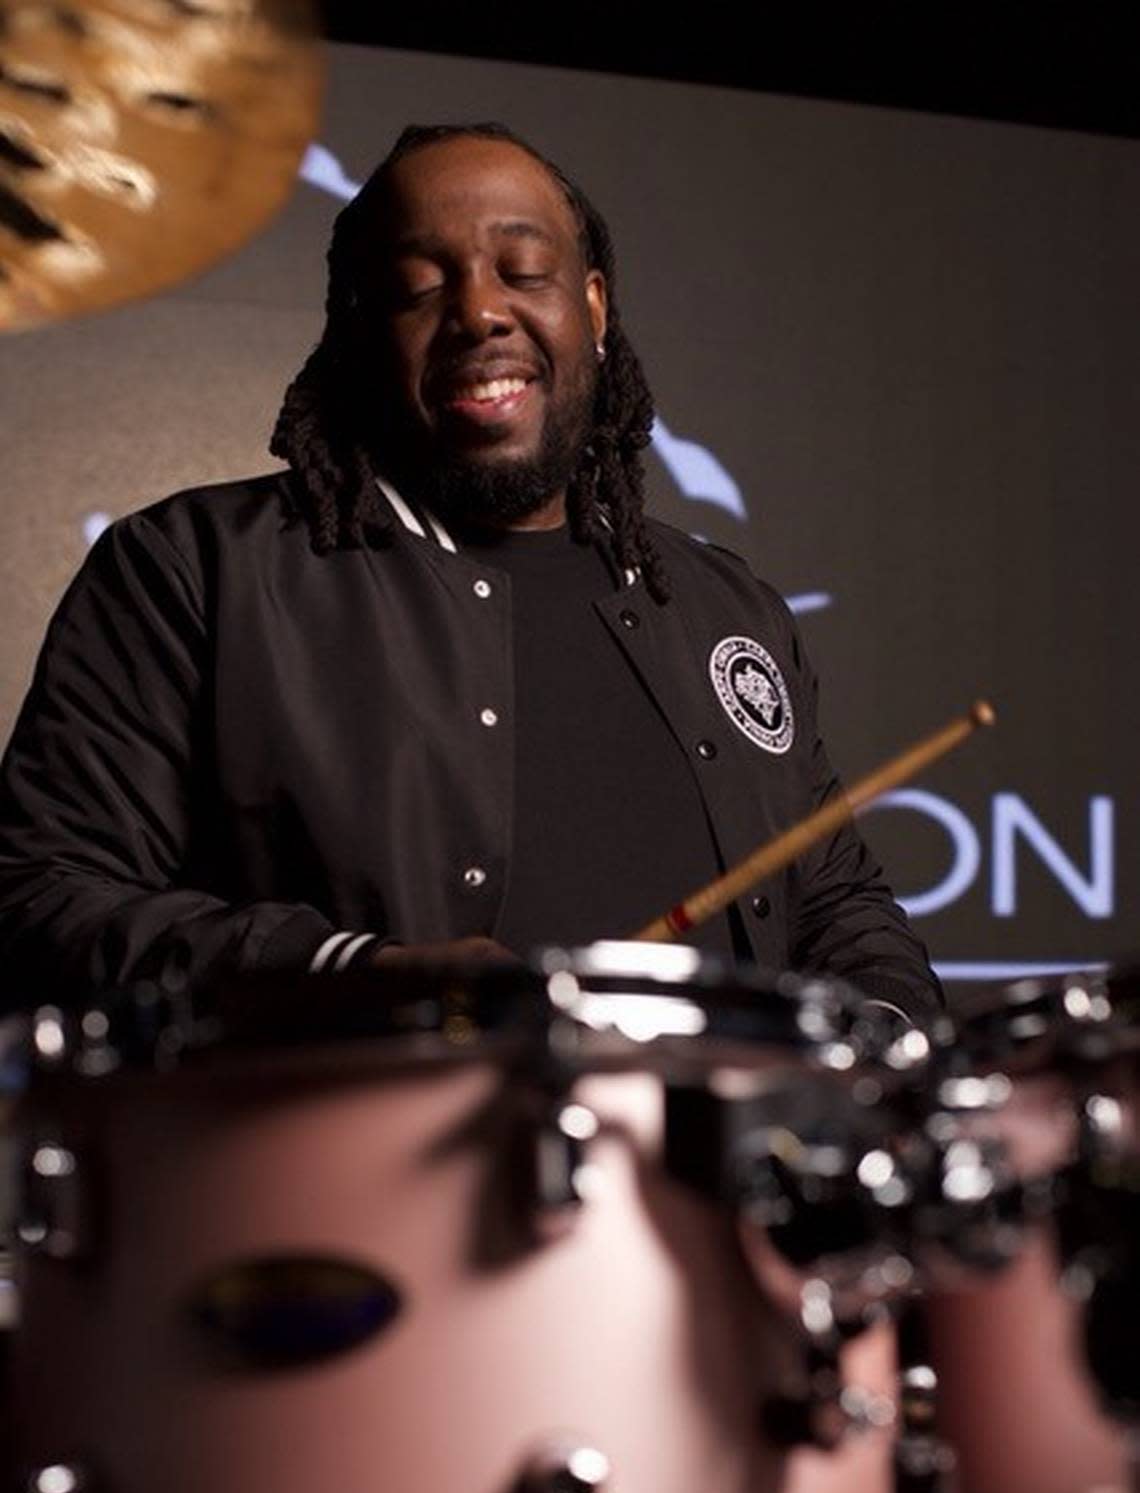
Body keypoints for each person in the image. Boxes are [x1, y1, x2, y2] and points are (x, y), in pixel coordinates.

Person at [0, 123, 940, 1021]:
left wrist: (880, 1037)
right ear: (362, 329)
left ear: (596, 308)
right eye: (418, 286)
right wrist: (352, 976)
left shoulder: (724, 606)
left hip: (709, 1182)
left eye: (524, 271)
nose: (480, 311)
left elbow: (839, 905)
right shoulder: (194, 572)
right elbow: (39, 896)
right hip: (358, 1177)